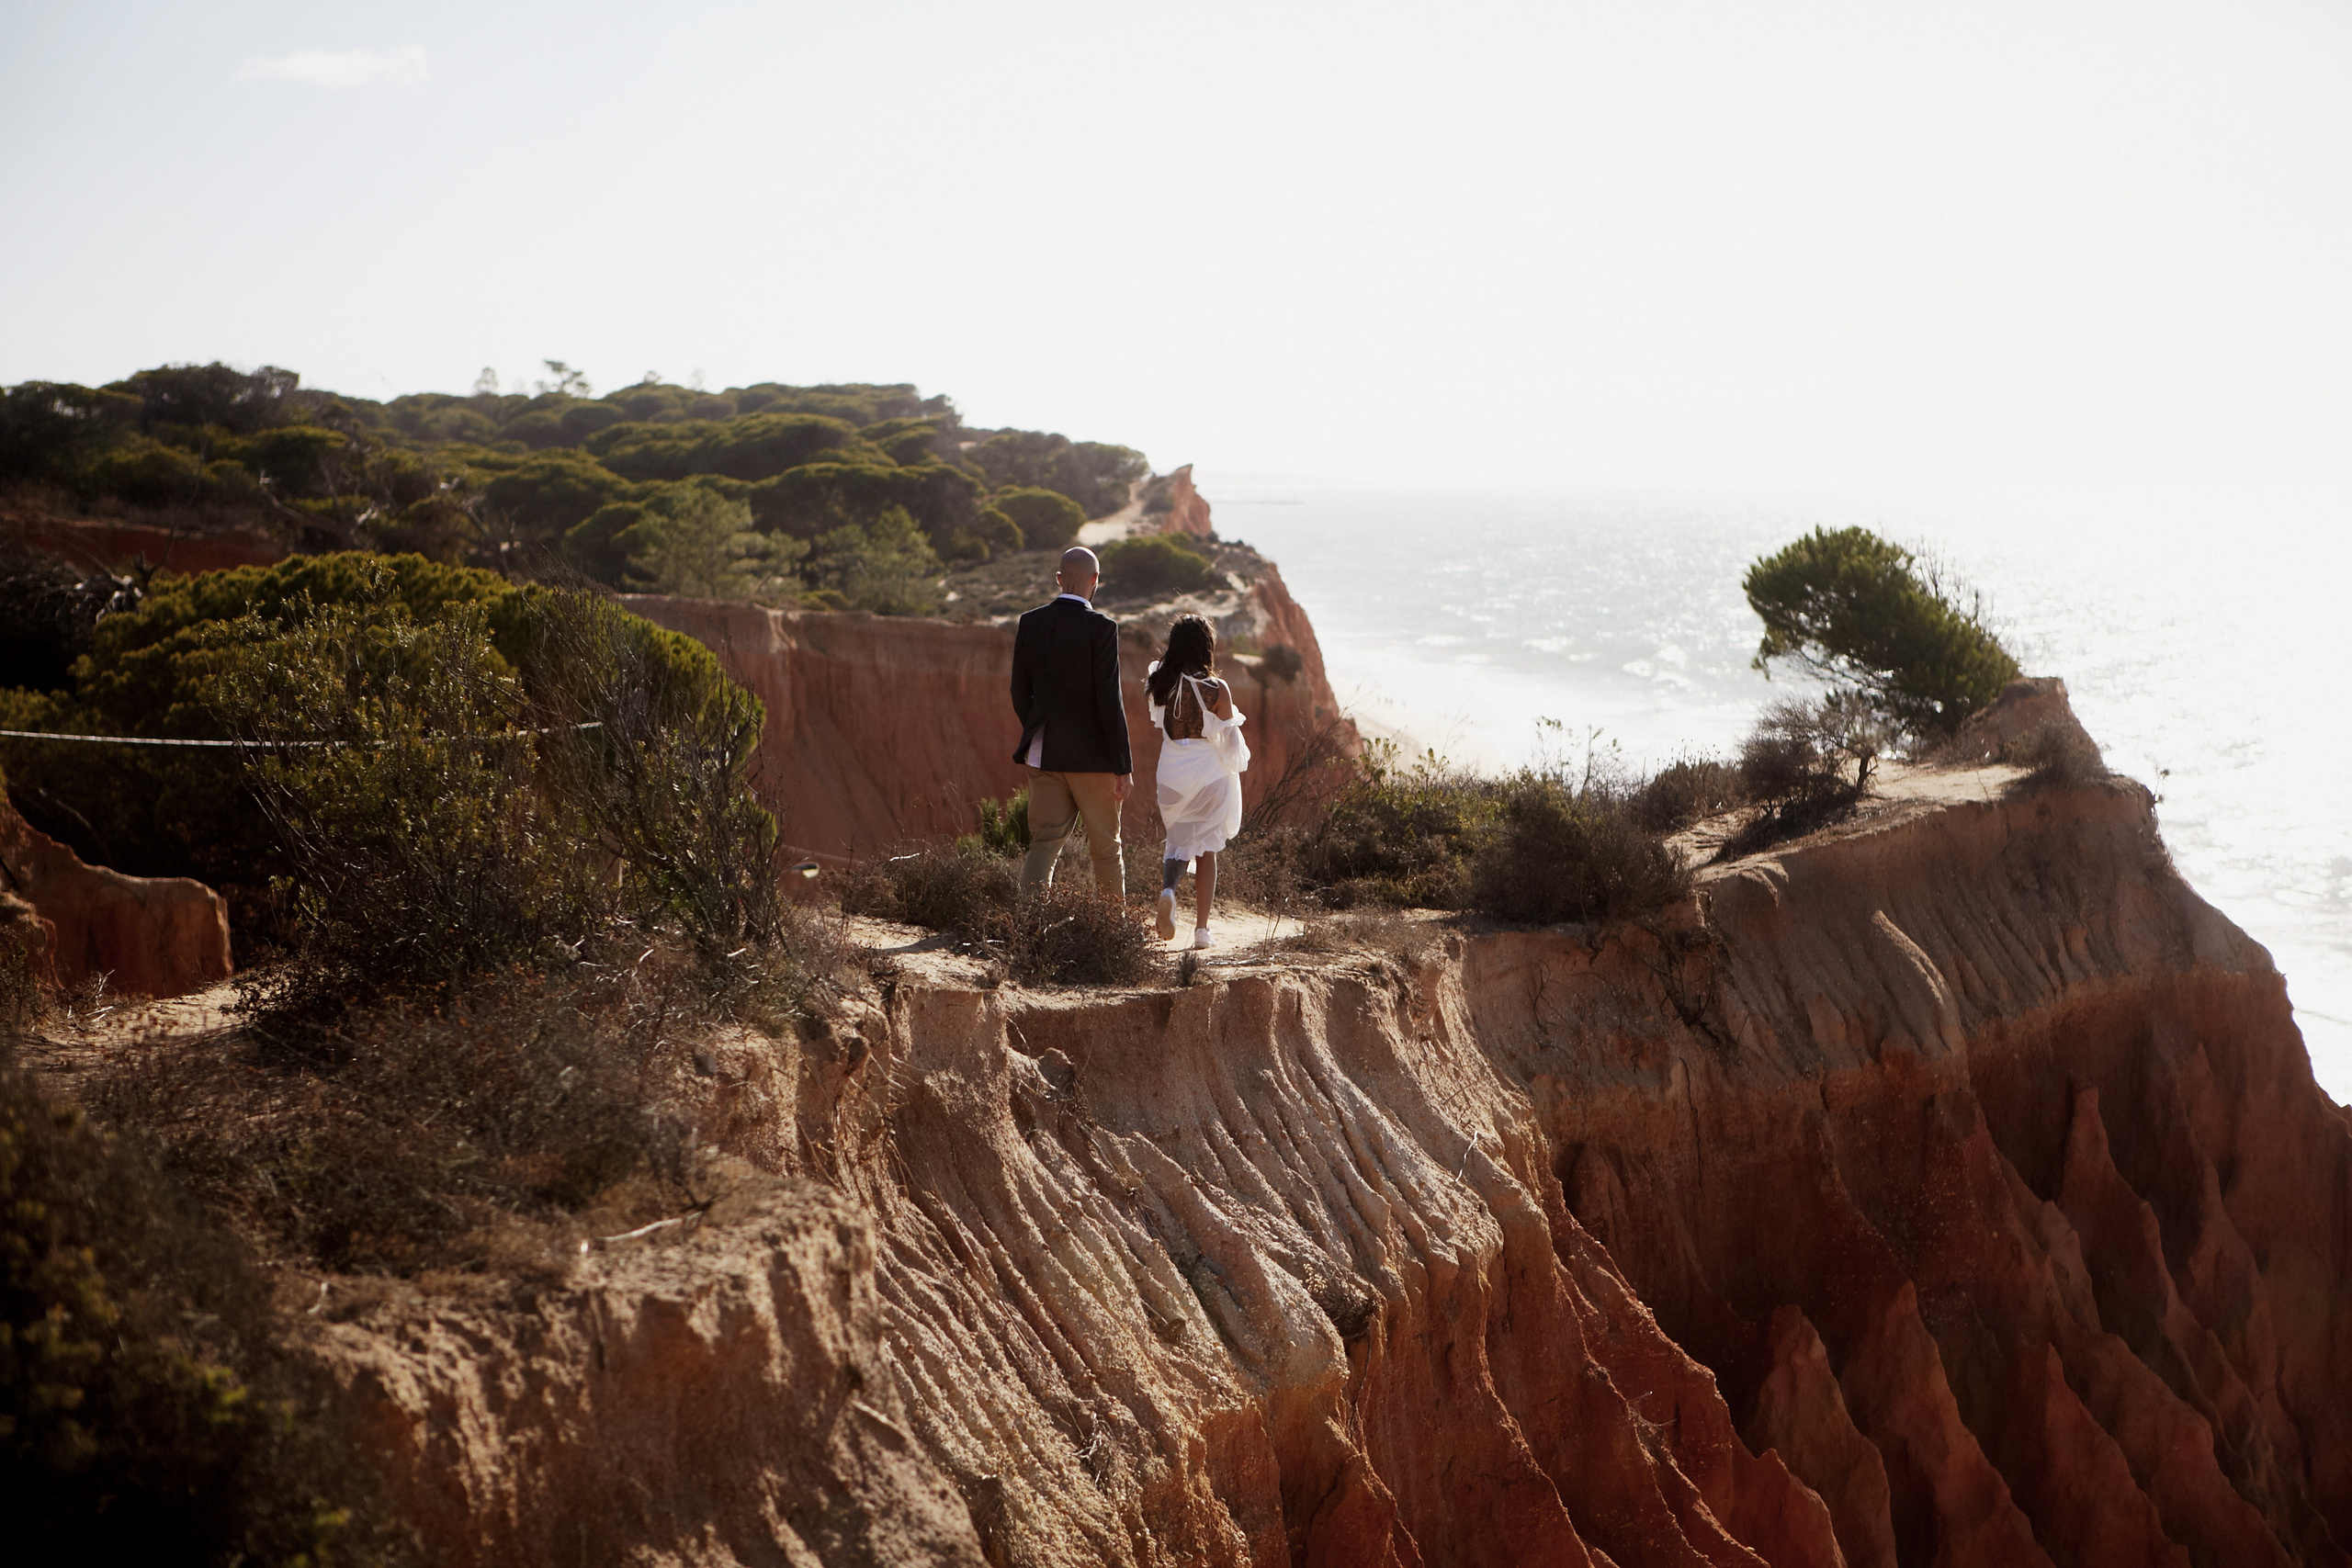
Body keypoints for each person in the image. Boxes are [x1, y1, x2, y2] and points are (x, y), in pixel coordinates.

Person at [1009, 546, 1132, 896]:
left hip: (1043, 753)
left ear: (1060, 579)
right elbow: (1110, 701)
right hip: (1093, 760)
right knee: (1107, 850)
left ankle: (1029, 930)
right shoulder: (1103, 628)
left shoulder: (1030, 622)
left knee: (1044, 845)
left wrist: (1036, 727)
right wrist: (1122, 764)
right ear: (1095, 581)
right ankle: (1112, 938)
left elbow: (1019, 691)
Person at [1146, 614, 1249, 948]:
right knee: (1207, 850)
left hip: (1172, 776)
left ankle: (1168, 891)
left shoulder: (1157, 683)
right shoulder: (1216, 689)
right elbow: (1231, 746)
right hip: (1208, 777)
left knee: (1178, 842)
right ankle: (1202, 931)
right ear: (1206, 647)